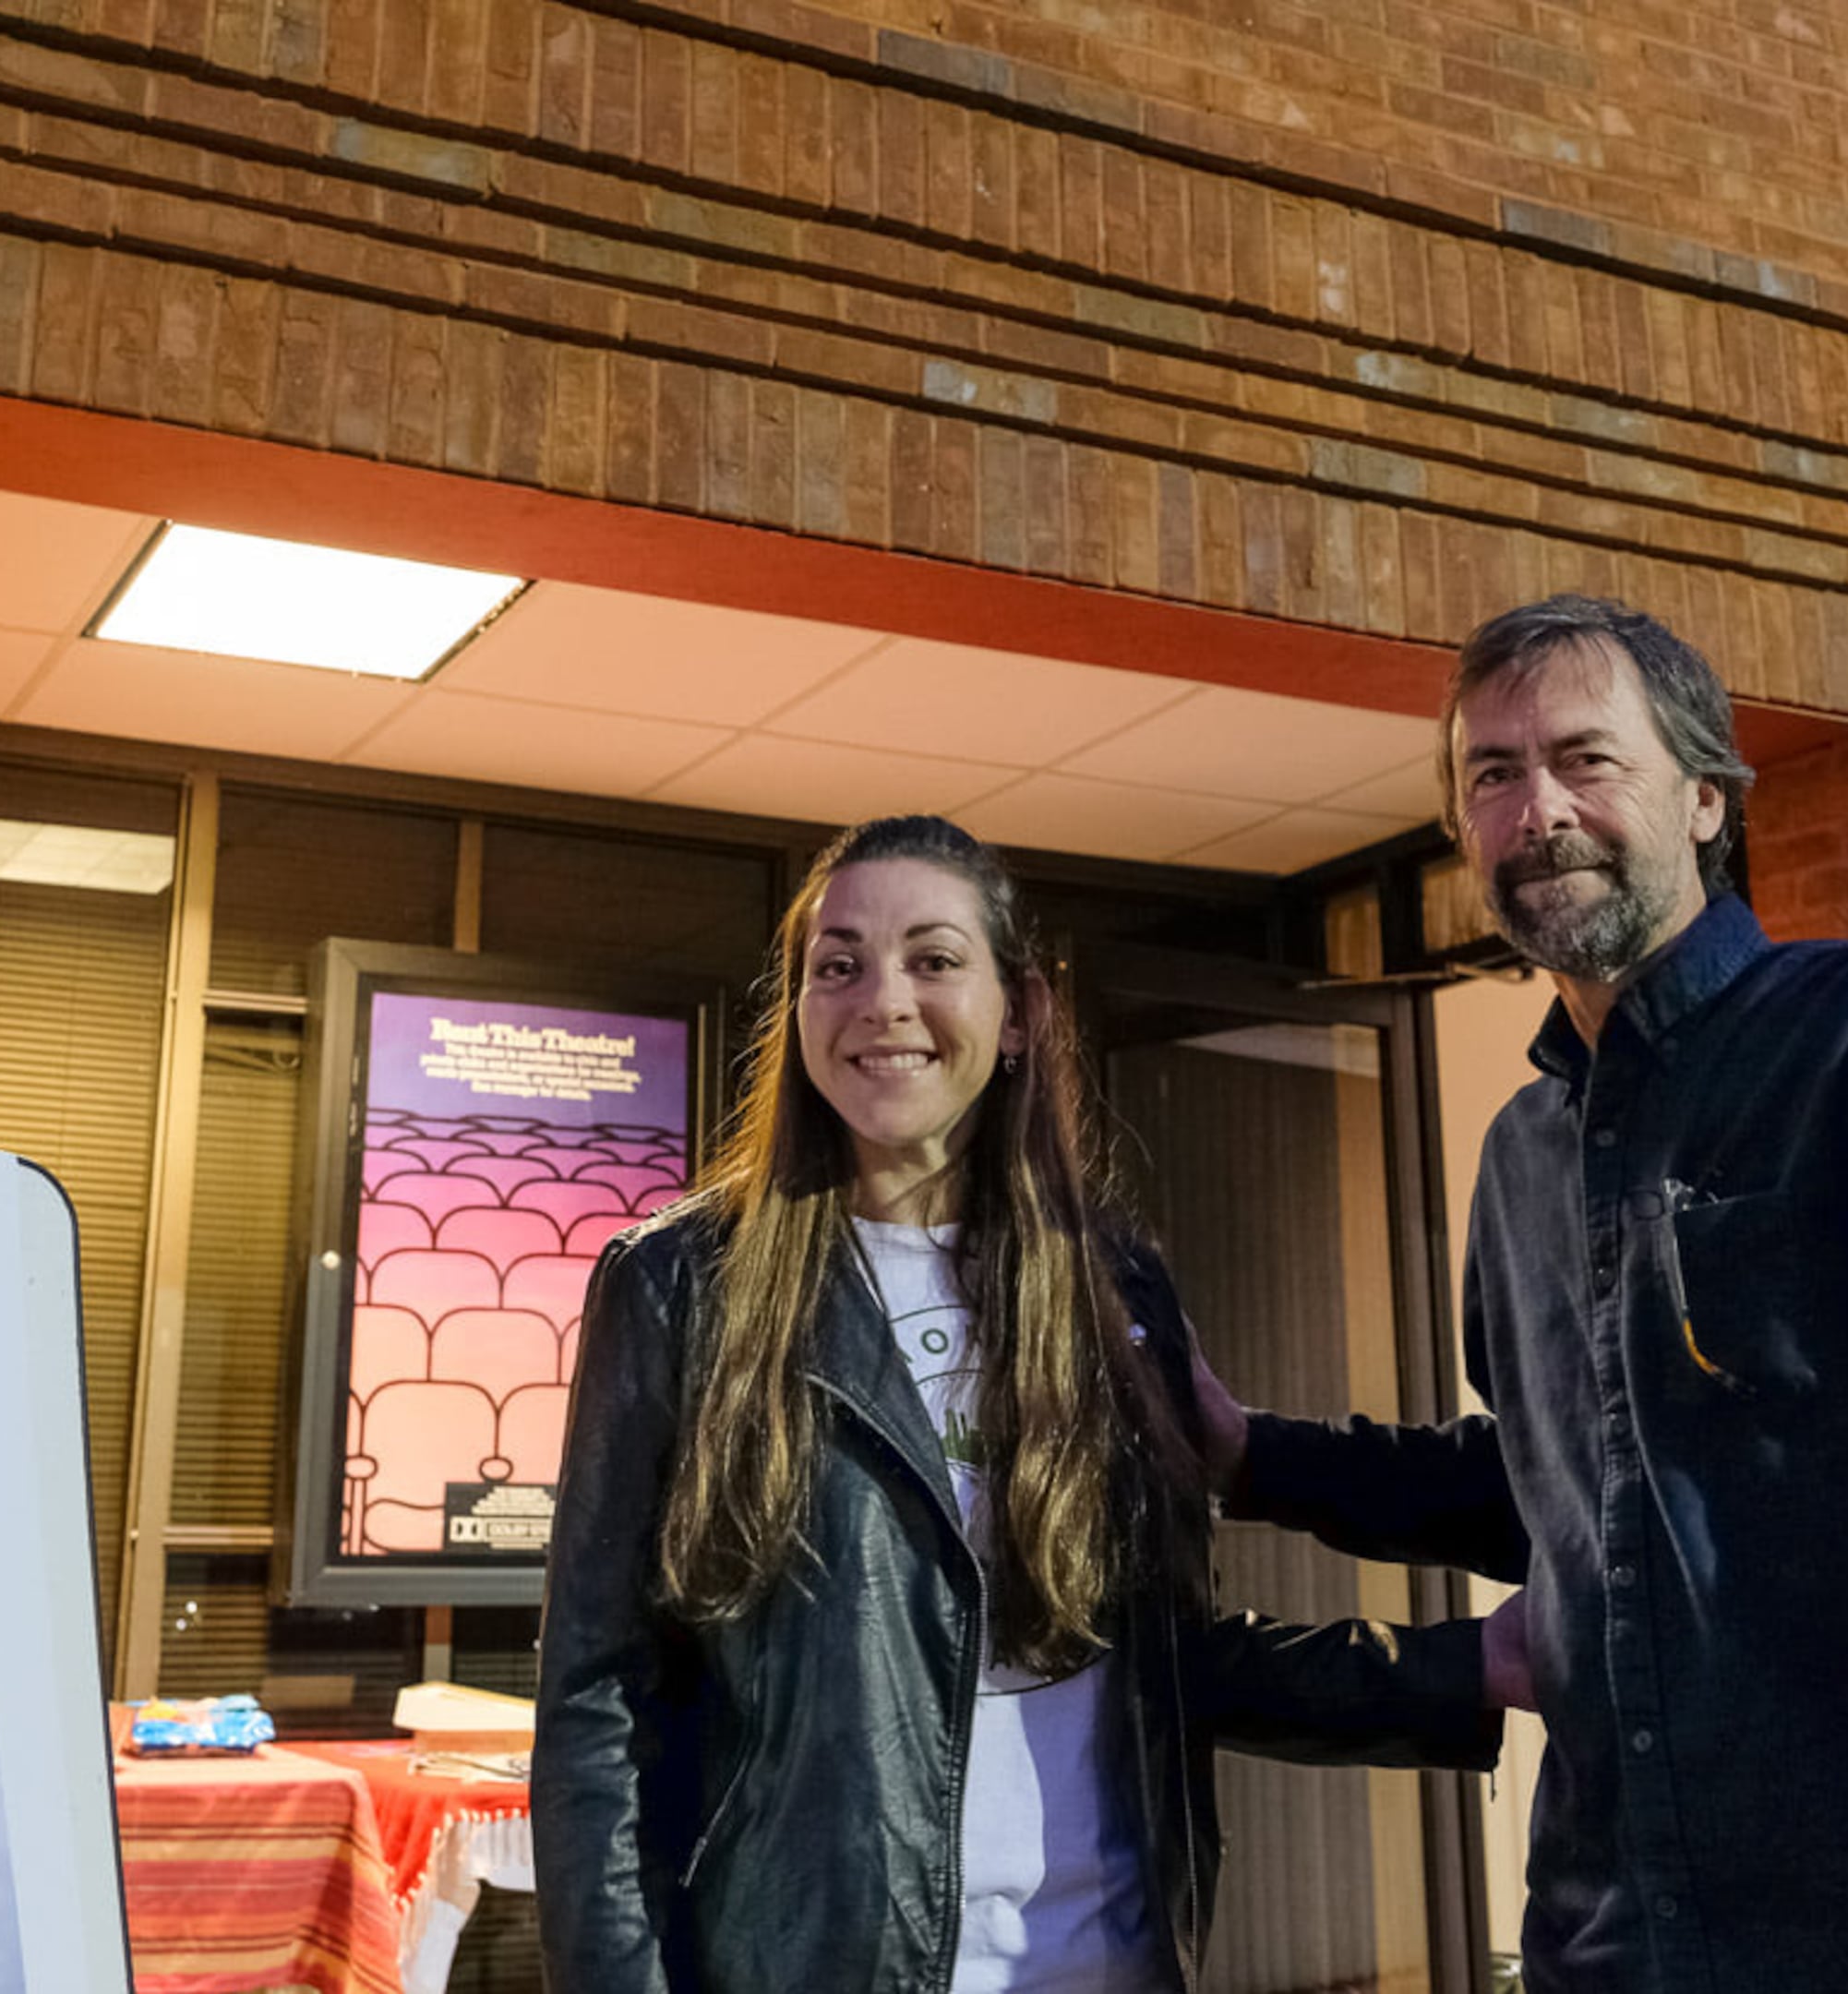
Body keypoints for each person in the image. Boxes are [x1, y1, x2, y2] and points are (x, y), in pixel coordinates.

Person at [1193, 595, 1848, 1993]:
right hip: (1621, 1950)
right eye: (1492, 775)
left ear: (1709, 801)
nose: (1538, 807)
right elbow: (1563, 1491)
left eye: (1587, 760)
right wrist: (1250, 1455)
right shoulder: (1523, 1154)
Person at [534, 814, 1519, 1994]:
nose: (882, 1000)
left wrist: (1466, 1667)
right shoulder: (680, 1286)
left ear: (1021, 1014)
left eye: (935, 959)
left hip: (1107, 1958)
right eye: (837, 966)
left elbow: (1165, 1655)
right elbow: (600, 1701)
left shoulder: (1107, 1278)